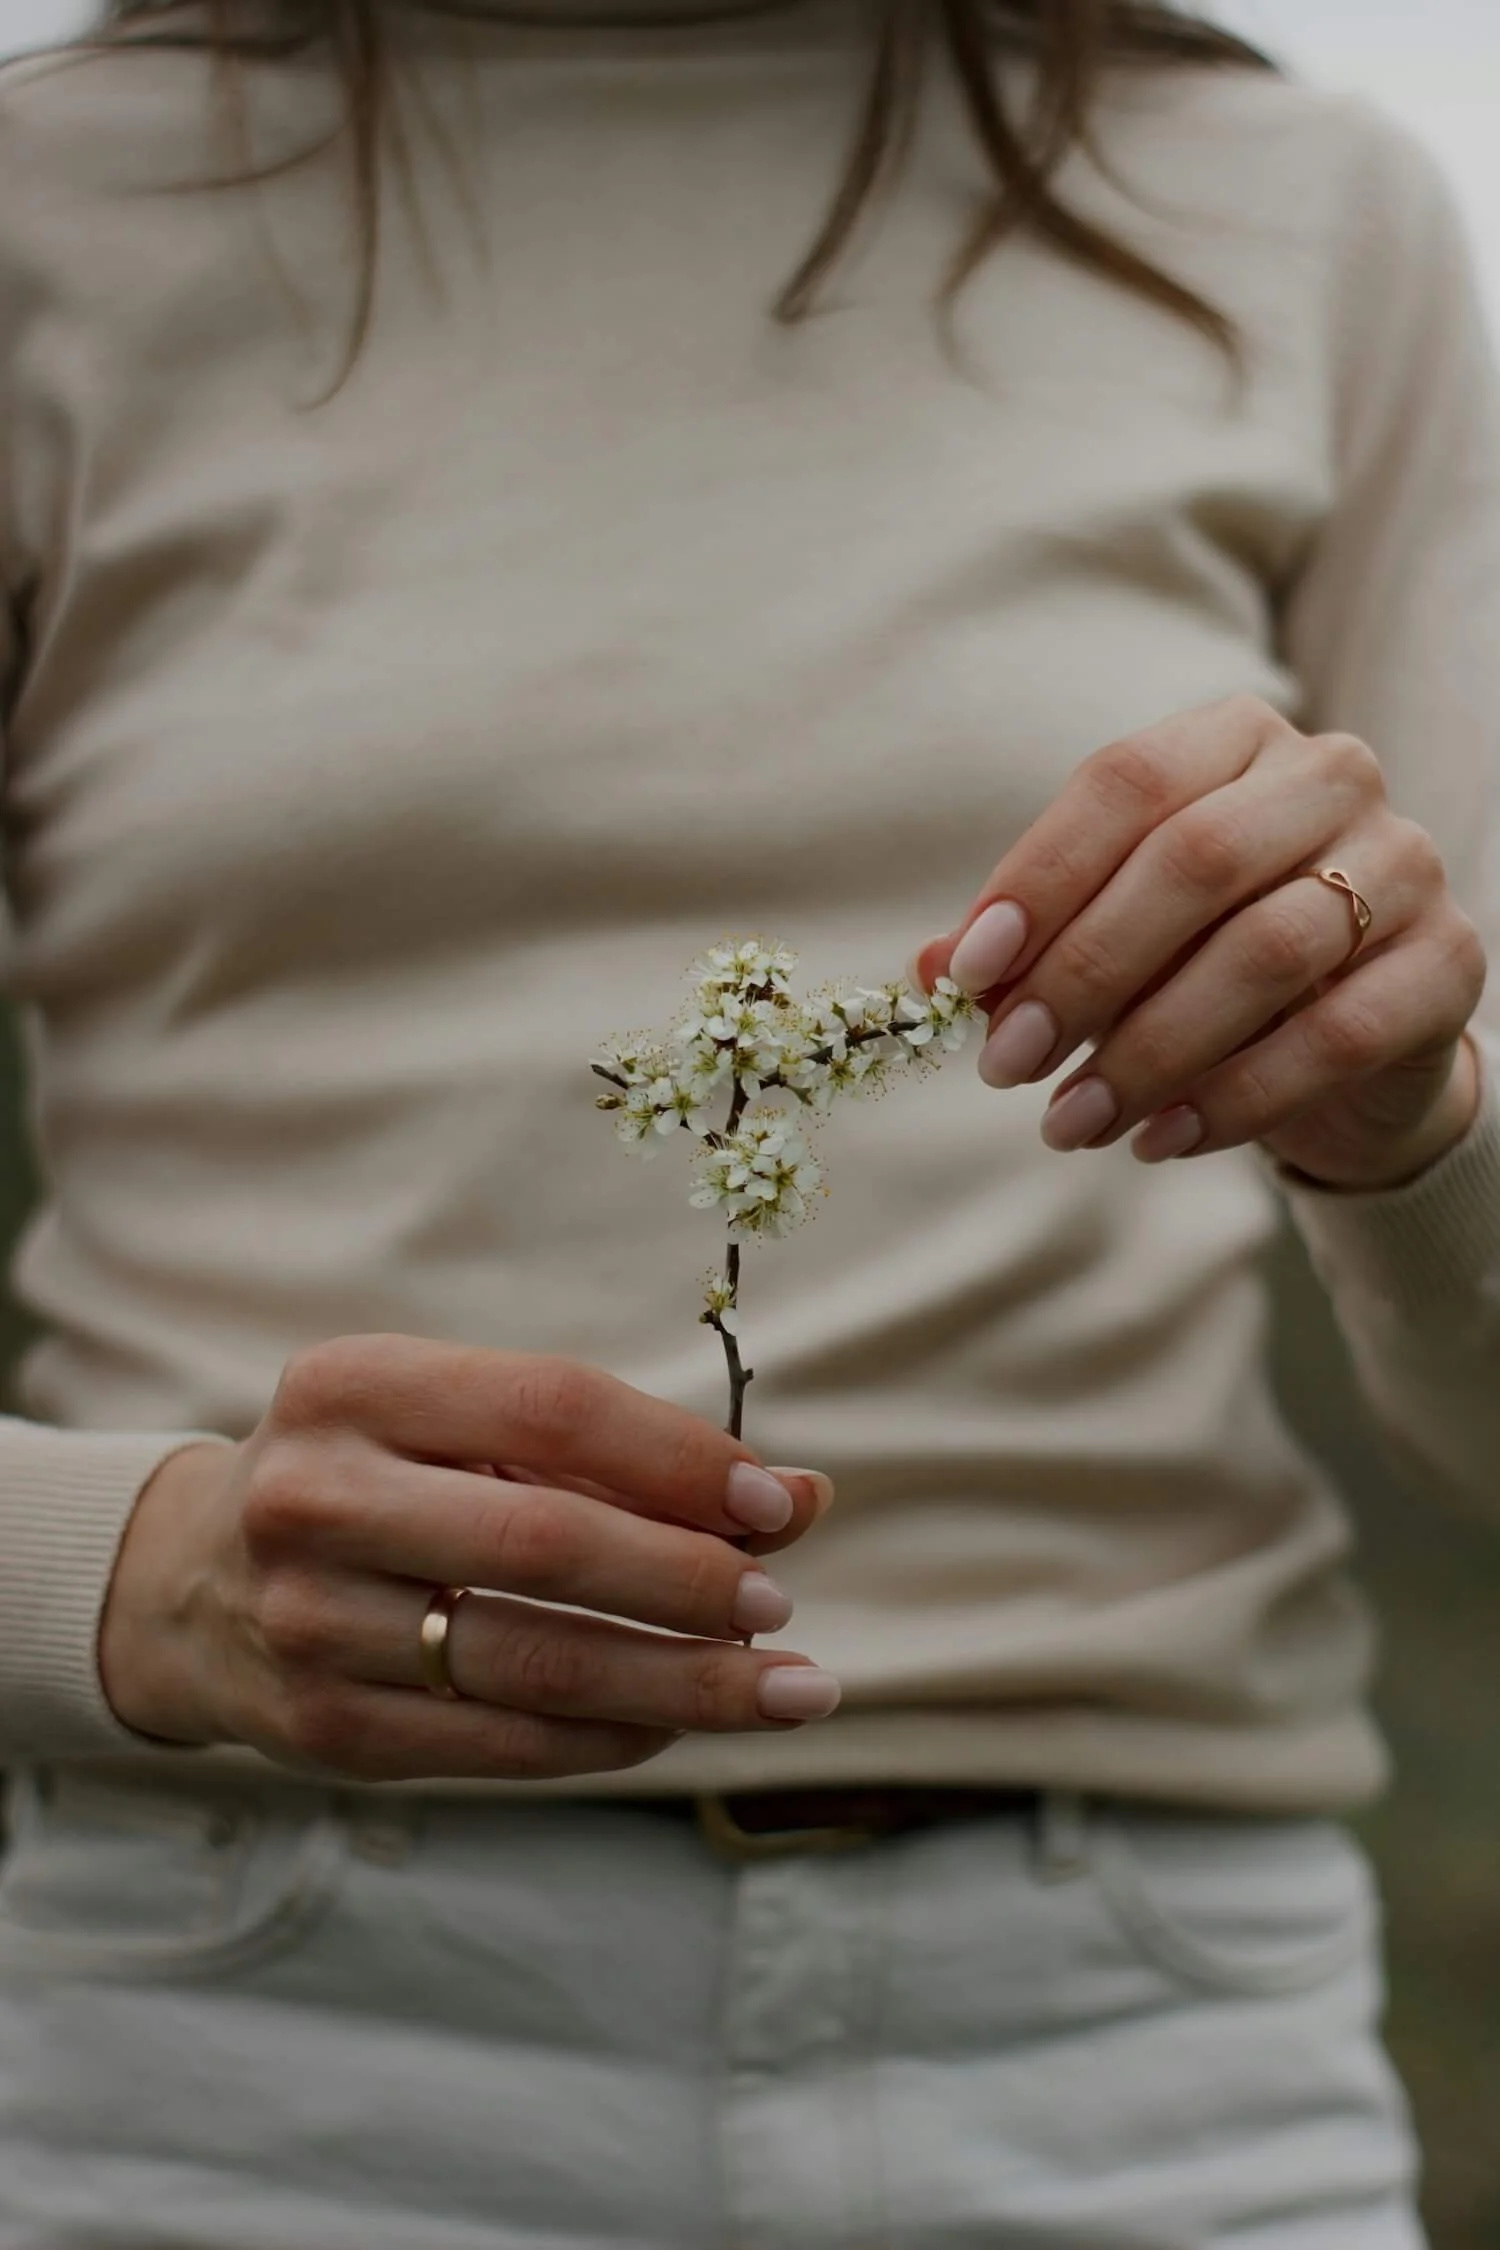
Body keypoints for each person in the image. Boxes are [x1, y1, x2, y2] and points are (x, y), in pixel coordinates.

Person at [0, 0, 1495, 2239]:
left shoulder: (1296, 215)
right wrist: (140, 1573)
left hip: (1142, 2059)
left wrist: (1405, 1122)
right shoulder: (59, 218)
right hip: (249, 2047)